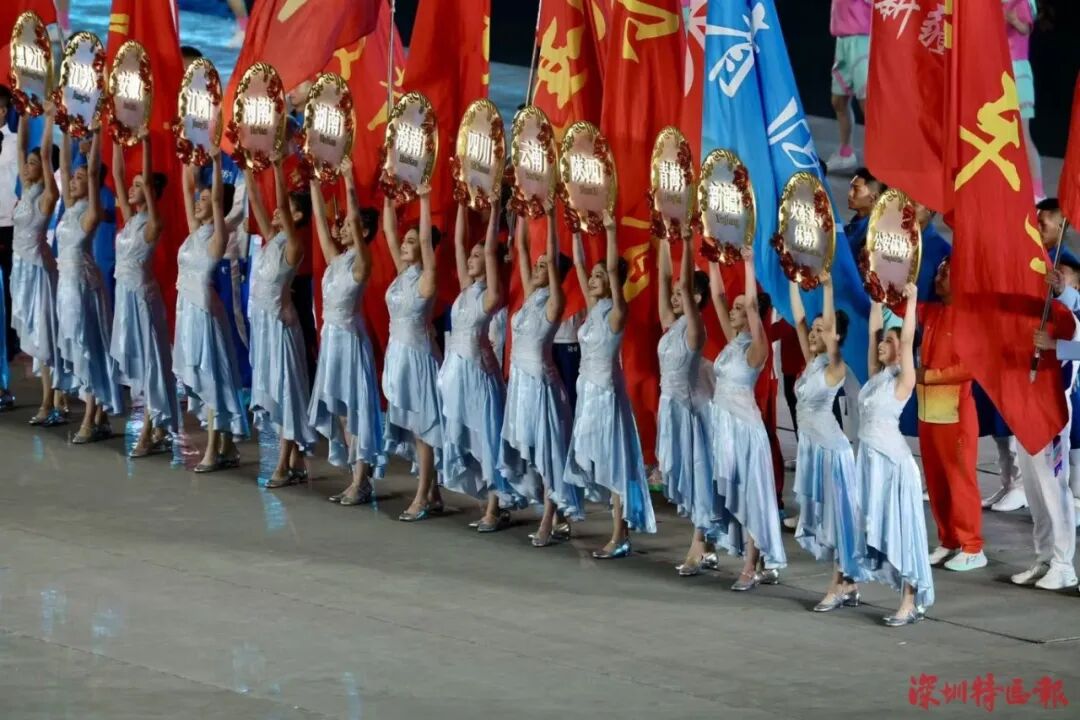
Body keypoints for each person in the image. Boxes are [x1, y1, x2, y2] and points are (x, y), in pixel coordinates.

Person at [564, 213, 656, 558]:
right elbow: (578, 263)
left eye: (600, 276)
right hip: (587, 391)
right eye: (593, 276)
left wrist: (612, 231)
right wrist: (575, 230)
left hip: (606, 393)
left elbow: (615, 271)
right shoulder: (593, 309)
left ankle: (620, 534)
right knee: (598, 459)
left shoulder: (617, 312)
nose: (593, 279)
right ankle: (615, 529)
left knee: (615, 462)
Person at [500, 208, 584, 546]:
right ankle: (553, 513)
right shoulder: (530, 296)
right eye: (536, 266)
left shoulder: (554, 301)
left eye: (543, 267)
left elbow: (549, 253)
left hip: (540, 385)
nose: (536, 268)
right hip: (520, 383)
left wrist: (550, 218)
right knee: (531, 451)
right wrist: (522, 212)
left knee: (548, 453)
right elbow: (522, 249)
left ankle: (549, 518)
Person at [440, 198, 522, 531]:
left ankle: (494, 508)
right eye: (471, 257)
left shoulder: (491, 295)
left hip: (479, 374)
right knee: (466, 436)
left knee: (487, 439)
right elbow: (458, 244)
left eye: (478, 257)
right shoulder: (466, 288)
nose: (472, 259)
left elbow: (489, 252)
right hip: (457, 372)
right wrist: (462, 201)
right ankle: (486, 503)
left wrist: (495, 213)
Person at [788, 273, 867, 610]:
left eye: (821, 330)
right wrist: (793, 280)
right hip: (813, 451)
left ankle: (840, 584)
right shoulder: (811, 362)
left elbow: (828, 330)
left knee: (838, 520)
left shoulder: (835, 367)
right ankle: (848, 584)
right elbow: (799, 319)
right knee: (828, 519)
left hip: (832, 453)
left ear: (834, 336)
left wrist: (828, 287)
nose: (813, 332)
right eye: (814, 329)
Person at [708, 247, 786, 590]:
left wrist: (750, 264)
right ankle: (755, 559)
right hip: (724, 428)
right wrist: (712, 260)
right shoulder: (732, 341)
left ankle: (751, 565)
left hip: (745, 430)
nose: (734, 310)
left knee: (752, 495)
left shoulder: (757, 349)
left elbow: (753, 306)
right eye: (735, 307)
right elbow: (717, 297)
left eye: (740, 308)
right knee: (736, 492)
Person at [308, 165, 385, 505]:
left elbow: (352, 218)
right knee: (340, 408)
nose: (340, 227)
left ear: (362, 231)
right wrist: (314, 183)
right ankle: (356, 476)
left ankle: (361, 480)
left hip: (351, 341)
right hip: (332, 340)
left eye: (348, 225)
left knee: (356, 408)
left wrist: (350, 179)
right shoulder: (336, 260)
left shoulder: (360, 263)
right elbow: (320, 224)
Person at [858, 285, 934, 626]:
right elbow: (873, 332)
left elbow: (907, 339)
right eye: (883, 341)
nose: (883, 344)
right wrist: (877, 298)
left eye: (890, 341)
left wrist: (911, 301)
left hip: (893, 464)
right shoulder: (876, 377)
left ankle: (909, 601)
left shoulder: (904, 380)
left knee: (902, 531)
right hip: (871, 462)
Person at [245, 155, 317, 488]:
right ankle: (294, 461)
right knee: (273, 389)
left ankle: (284, 464)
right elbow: (255, 199)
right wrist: (246, 166)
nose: (275, 211)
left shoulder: (294, 246)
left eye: (286, 209)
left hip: (281, 328)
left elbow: (281, 208)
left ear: (297, 216)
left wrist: (276, 168)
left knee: (286, 390)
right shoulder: (270, 239)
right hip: (264, 328)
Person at [176, 150, 248, 472]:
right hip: (188, 314)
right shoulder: (195, 232)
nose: (198, 202)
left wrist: (218, 163)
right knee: (207, 377)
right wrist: (186, 157)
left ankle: (212, 450)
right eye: (199, 198)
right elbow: (186, 189)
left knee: (212, 378)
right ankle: (227, 446)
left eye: (204, 199)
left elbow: (219, 200)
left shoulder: (218, 237)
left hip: (206, 316)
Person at [110, 131, 179, 456]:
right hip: (125, 297)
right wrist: (116, 140)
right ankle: (156, 427)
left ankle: (151, 429)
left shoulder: (153, 222)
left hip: (142, 299)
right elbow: (117, 176)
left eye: (139, 186)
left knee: (152, 362)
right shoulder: (130, 218)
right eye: (134, 185)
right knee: (138, 361)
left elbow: (147, 184)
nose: (132, 189)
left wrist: (147, 145)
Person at [56, 122, 123, 442]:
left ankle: (90, 418)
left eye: (80, 179)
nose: (73, 181)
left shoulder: (90, 213)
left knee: (89, 348)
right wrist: (64, 129)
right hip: (66, 286)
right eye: (73, 179)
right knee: (79, 346)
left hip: (83, 286)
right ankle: (98, 416)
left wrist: (96, 137)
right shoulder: (69, 208)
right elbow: (64, 166)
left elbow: (94, 172)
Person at [918, 258, 986, 571]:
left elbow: (972, 366)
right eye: (939, 271)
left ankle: (972, 546)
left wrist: (931, 376)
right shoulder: (931, 312)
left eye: (946, 273)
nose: (938, 276)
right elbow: (898, 305)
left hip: (956, 412)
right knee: (936, 480)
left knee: (960, 480)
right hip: (928, 409)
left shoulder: (970, 319)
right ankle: (948, 539)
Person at [381, 189, 444, 521]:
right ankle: (433, 493)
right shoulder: (402, 273)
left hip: (419, 359)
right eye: (404, 241)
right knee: (414, 429)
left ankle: (421, 497)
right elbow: (388, 230)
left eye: (411, 241)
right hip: (399, 356)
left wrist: (424, 200)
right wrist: (389, 194)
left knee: (423, 430)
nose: (403, 245)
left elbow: (426, 242)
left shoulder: (426, 279)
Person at [656, 230, 716, 575]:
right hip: (671, 409)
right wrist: (665, 238)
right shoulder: (671, 324)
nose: (674, 297)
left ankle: (699, 545)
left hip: (690, 413)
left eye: (682, 294)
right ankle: (706, 546)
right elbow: (665, 278)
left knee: (697, 477)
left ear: (695, 297)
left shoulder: (696, 330)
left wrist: (689, 244)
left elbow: (679, 281)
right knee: (685, 475)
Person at [1022, 280, 1080, 589]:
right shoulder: (1041, 313)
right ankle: (1044, 557)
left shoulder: (1070, 316)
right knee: (1034, 489)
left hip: (1053, 412)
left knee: (1054, 487)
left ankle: (1063, 564)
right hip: (1027, 409)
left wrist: (1055, 346)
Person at [11, 108, 62, 423]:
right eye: (27, 163)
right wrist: (24, 110)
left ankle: (49, 402)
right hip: (21, 269)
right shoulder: (27, 188)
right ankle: (53, 399)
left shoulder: (47, 195)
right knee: (33, 334)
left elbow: (44, 155)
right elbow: (20, 148)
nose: (27, 167)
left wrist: (50, 120)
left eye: (33, 163)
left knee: (44, 335)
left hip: (38, 270)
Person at [1003, 0, 1044, 200]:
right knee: (1003, 137)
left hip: (1017, 71)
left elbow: (1025, 29)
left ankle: (1038, 193)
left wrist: (1013, 20)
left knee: (1023, 136)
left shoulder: (1020, 2)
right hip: (998, 72)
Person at [826, 0, 872, 173]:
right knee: (838, 101)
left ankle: (879, 161)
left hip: (863, 39)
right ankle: (846, 154)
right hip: (842, 39)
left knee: (867, 104)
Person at [845, 167, 885, 257]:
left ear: (874, 197)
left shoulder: (877, 235)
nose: (850, 193)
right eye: (851, 187)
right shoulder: (851, 226)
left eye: (856, 189)